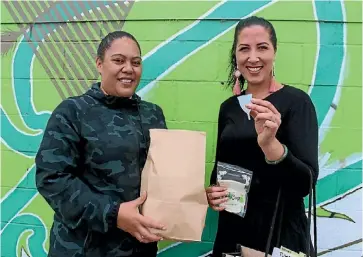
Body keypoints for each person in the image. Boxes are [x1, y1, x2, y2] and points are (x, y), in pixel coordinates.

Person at [35, 31, 168, 257]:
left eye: (136, 62)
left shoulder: (152, 115)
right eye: (118, 60)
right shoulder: (73, 112)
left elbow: (163, 174)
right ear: (99, 64)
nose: (128, 68)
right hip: (84, 249)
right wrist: (113, 214)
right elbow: (51, 179)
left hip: (139, 249)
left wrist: (190, 195)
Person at [205, 16, 319, 256]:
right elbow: (220, 168)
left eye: (262, 48)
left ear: (274, 52)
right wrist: (213, 191)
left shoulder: (297, 103)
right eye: (244, 49)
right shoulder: (229, 107)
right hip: (232, 236)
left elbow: (306, 182)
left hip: (278, 237)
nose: (253, 57)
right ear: (235, 55)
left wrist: (270, 144)